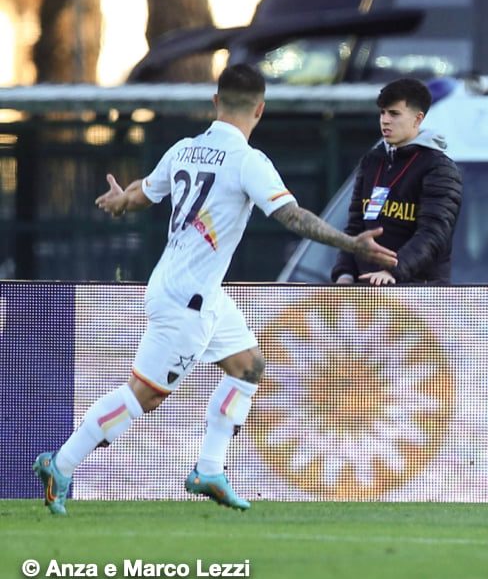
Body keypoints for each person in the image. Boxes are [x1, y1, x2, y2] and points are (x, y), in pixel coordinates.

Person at [33, 64, 398, 515]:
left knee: (248, 366)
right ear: (260, 110)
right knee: (143, 394)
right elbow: (292, 216)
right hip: (188, 299)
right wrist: (352, 243)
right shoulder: (248, 161)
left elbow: (143, 193)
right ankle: (61, 463)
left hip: (193, 288)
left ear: (215, 102)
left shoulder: (184, 149)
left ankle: (208, 469)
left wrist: (120, 199)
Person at [331, 78, 462, 286]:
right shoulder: (372, 161)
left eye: (394, 114)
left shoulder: (438, 168)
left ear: (418, 119)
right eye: (382, 113)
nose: (385, 120)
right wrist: (344, 273)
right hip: (368, 291)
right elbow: (356, 226)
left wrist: (393, 270)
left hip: (420, 294)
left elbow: (434, 233)